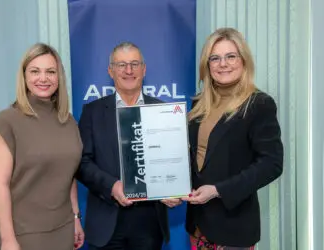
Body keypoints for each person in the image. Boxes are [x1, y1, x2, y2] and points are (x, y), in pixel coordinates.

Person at [182, 28, 284, 250]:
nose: (223, 64)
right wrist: (173, 189)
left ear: (243, 61)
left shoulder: (259, 104)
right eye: (215, 58)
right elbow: (194, 159)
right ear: (207, 65)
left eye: (231, 56)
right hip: (198, 227)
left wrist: (218, 190)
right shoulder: (199, 105)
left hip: (234, 228)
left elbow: (272, 164)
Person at [76, 42, 181, 250]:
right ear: (110, 70)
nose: (129, 70)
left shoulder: (164, 111)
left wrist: (174, 189)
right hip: (105, 221)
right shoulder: (92, 112)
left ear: (144, 69)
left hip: (149, 223)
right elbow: (82, 163)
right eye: (121, 64)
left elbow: (173, 161)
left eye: (134, 64)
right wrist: (112, 186)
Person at [0, 43, 84, 250]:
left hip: (64, 230)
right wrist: (7, 239)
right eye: (35, 71)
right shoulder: (6, 122)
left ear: (59, 77)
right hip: (24, 235)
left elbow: (69, 175)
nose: (43, 78)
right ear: (24, 76)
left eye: (50, 72)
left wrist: (76, 217)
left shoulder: (68, 121)